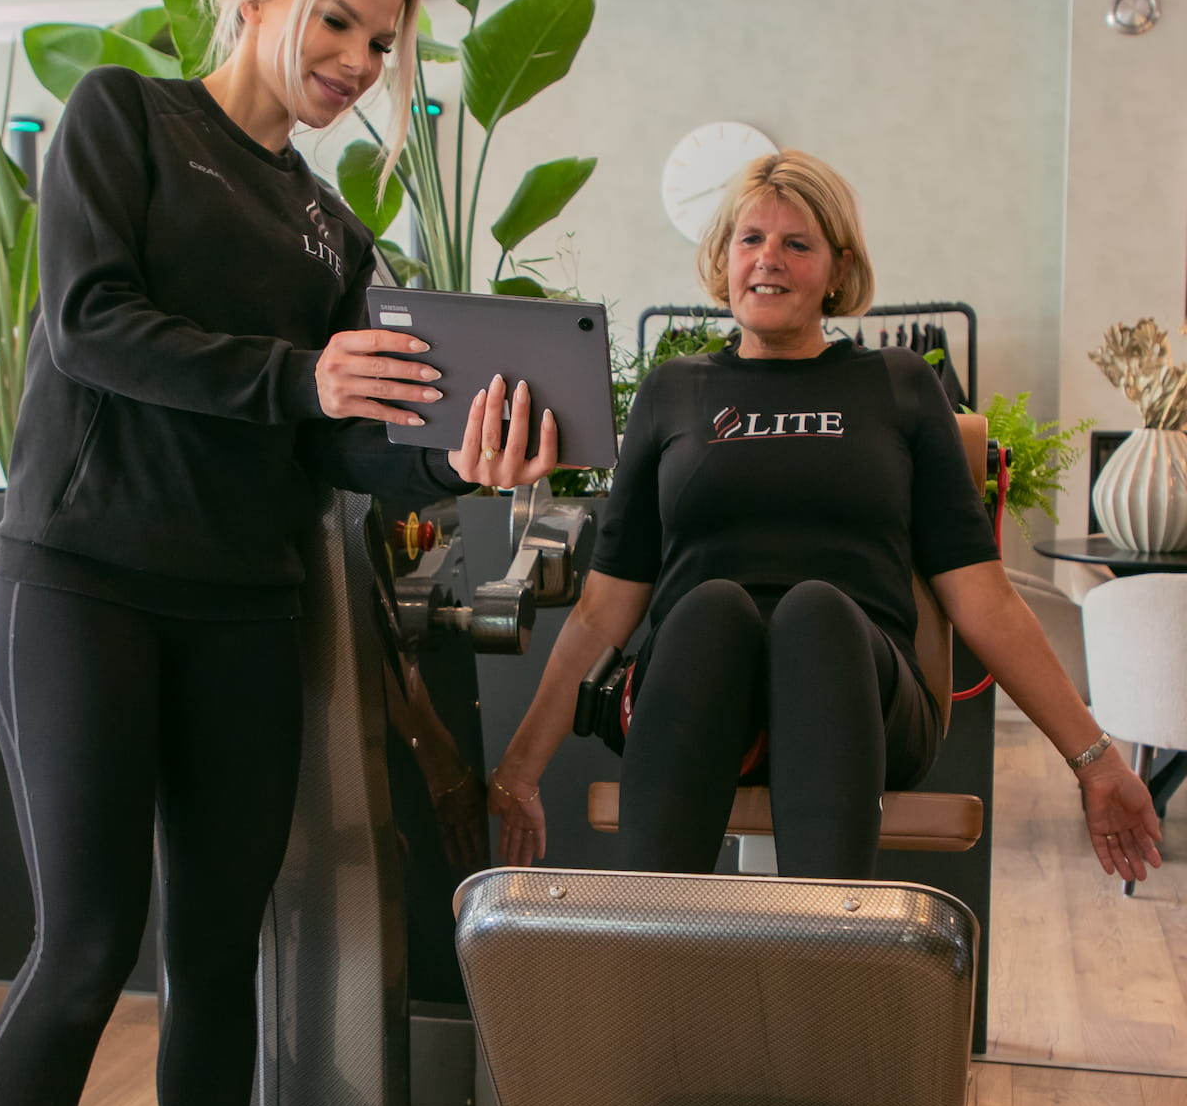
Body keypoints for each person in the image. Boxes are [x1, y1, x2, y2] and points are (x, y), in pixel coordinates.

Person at [0, 0, 557, 1106]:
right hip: (82, 581)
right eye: (338, 19)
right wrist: (300, 376)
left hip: (242, 602)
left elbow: (334, 442)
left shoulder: (330, 232)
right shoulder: (123, 121)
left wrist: (456, 458)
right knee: (87, 948)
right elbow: (86, 327)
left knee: (224, 952)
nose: (357, 58)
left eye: (381, 39)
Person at [489, 149, 1161, 890]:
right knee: (711, 611)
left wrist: (1094, 763)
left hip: (861, 700)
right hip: (694, 695)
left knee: (815, 614)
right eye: (750, 239)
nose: (767, 260)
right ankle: (658, 970)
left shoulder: (900, 387)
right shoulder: (672, 392)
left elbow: (984, 597)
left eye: (796, 244)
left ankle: (827, 976)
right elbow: (602, 610)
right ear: (723, 256)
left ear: (838, 269)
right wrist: (519, 771)